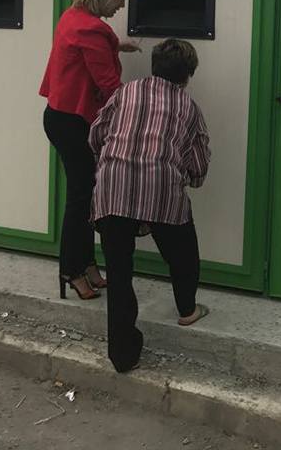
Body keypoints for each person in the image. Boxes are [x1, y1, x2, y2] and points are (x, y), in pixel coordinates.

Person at [89, 38, 211, 373]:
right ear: (187, 76)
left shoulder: (124, 93)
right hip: (161, 188)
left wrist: (111, 162)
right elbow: (199, 165)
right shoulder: (188, 107)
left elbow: (96, 134)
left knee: (119, 272)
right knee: (183, 253)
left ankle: (123, 355)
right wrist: (187, 178)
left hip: (112, 186)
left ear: (154, 67)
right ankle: (187, 310)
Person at [40, 0, 138, 301]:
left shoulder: (73, 16)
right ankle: (71, 270)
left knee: (86, 198)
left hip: (61, 117)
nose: (121, 6)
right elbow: (108, 83)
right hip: (74, 123)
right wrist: (140, 109)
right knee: (81, 200)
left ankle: (87, 264)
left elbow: (86, 47)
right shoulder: (93, 30)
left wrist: (117, 46)